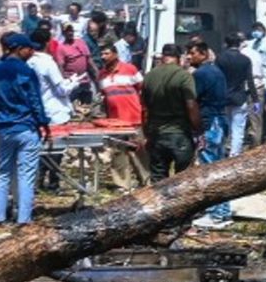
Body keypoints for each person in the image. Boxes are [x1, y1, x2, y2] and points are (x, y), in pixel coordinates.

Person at [0, 33, 49, 224]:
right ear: (20, 49)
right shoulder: (26, 71)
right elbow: (35, 101)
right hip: (26, 128)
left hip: (3, 129)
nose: (32, 52)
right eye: (29, 49)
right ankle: (24, 219)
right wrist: (43, 123)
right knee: (26, 176)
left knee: (3, 173)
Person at [187, 42, 232, 227]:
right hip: (220, 121)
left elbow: (193, 100)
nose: (189, 57)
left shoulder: (201, 74)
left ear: (204, 54)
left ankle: (216, 214)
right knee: (218, 168)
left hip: (209, 124)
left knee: (209, 170)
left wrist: (196, 127)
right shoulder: (217, 72)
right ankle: (223, 211)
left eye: (192, 54)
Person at [140, 43, 199, 182]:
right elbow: (191, 105)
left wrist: (146, 132)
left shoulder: (149, 76)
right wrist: (197, 127)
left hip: (156, 134)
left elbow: (144, 108)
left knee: (158, 178)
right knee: (183, 179)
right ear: (179, 58)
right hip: (179, 133)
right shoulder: (184, 76)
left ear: (162, 57)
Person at [27, 25, 73, 192]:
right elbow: (61, 89)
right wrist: (72, 84)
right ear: (47, 43)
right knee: (56, 150)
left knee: (40, 149)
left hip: (37, 112)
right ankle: (52, 183)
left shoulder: (28, 62)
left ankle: (38, 181)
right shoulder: (47, 62)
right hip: (55, 112)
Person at [97, 42, 147, 188]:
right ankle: (122, 185)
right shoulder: (102, 75)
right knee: (118, 154)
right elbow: (105, 98)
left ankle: (146, 181)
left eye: (106, 53)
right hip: (115, 121)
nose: (103, 57)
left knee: (139, 152)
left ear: (115, 54)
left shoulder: (130, 69)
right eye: (102, 54)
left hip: (134, 118)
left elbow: (143, 89)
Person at [217, 32, 255, 157]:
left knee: (223, 127)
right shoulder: (245, 60)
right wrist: (255, 100)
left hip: (223, 97)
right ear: (239, 44)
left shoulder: (220, 58)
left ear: (226, 44)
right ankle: (235, 154)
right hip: (239, 97)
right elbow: (250, 80)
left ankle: (222, 152)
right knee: (238, 128)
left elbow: (217, 78)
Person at [53, 23, 93, 103]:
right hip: (72, 83)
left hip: (84, 81)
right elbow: (60, 67)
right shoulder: (61, 48)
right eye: (67, 31)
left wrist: (96, 73)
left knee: (88, 106)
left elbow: (89, 60)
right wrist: (63, 83)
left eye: (71, 30)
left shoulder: (81, 42)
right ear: (64, 33)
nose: (70, 33)